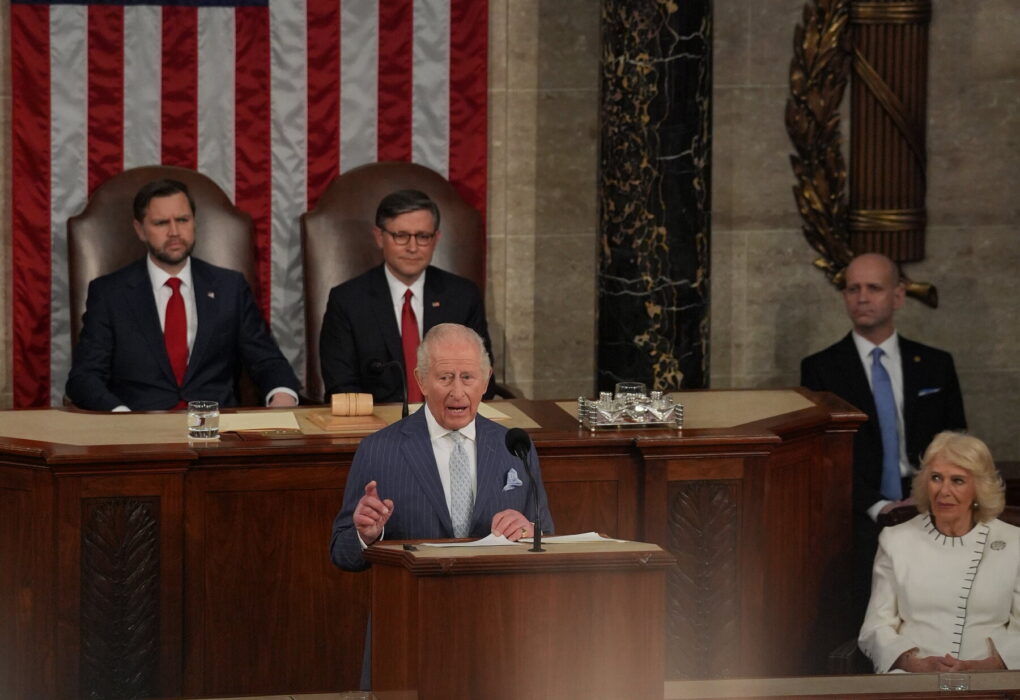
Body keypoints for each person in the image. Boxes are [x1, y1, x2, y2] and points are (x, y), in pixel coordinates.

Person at [800, 252, 966, 621]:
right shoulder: (821, 368)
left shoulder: (936, 364)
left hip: (930, 501)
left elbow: (957, 442)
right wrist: (878, 507)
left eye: (874, 288)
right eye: (853, 288)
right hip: (859, 509)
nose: (862, 297)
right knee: (864, 615)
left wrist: (929, 496)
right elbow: (822, 455)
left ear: (898, 296)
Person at [330, 323, 552, 572]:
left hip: (496, 593)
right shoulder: (378, 451)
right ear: (421, 381)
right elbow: (342, 554)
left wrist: (528, 532)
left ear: (486, 380)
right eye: (445, 378)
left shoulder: (515, 447)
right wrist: (365, 536)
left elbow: (545, 535)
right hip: (413, 594)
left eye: (467, 377)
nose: (457, 392)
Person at [66, 179, 300, 411]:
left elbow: (267, 360)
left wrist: (282, 395)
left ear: (193, 222)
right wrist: (121, 416)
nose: (174, 232)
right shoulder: (110, 294)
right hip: (140, 424)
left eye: (182, 220)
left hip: (215, 424)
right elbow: (84, 377)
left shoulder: (230, 287)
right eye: (161, 223)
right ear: (140, 230)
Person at [859, 432, 1020, 672]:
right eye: (936, 478)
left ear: (978, 488)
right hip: (915, 676)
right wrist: (914, 664)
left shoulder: (1014, 542)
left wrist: (989, 665)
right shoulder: (895, 540)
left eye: (957, 480)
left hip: (991, 676)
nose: (944, 491)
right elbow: (876, 626)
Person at [318, 189, 495, 404]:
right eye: (401, 236)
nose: (412, 248)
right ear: (379, 237)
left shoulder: (463, 296)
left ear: (436, 239)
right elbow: (341, 387)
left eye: (423, 237)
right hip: (375, 421)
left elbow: (483, 379)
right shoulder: (347, 300)